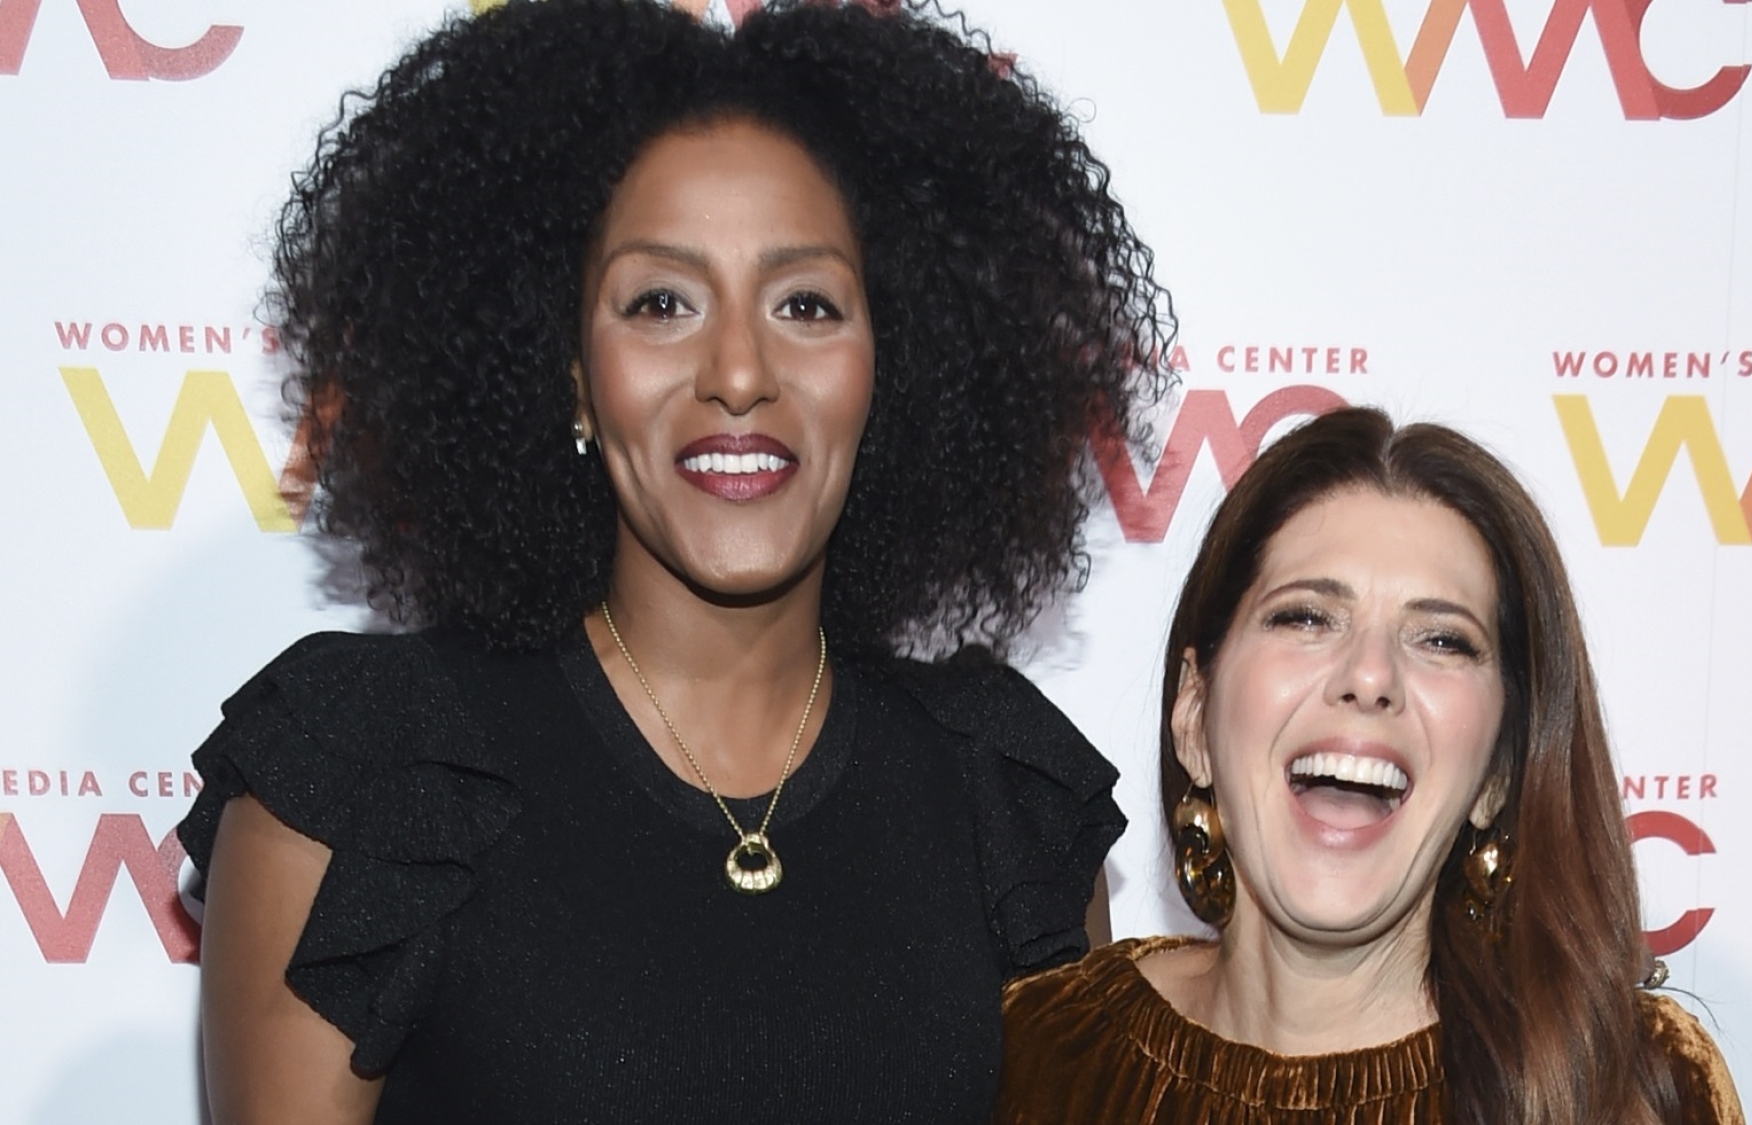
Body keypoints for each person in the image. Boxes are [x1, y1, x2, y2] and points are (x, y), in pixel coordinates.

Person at [175, 2, 1174, 1122]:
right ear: (567, 374)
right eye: (659, 302)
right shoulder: (368, 776)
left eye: (806, 303)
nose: (738, 370)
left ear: (890, 365)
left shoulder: (1008, 800)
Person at [995, 407, 1744, 1125]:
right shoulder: (1035, 1056)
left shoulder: (1637, 1088)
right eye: (1307, 616)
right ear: (1194, 713)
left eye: (1442, 639)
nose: (1370, 673)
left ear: (1497, 774)